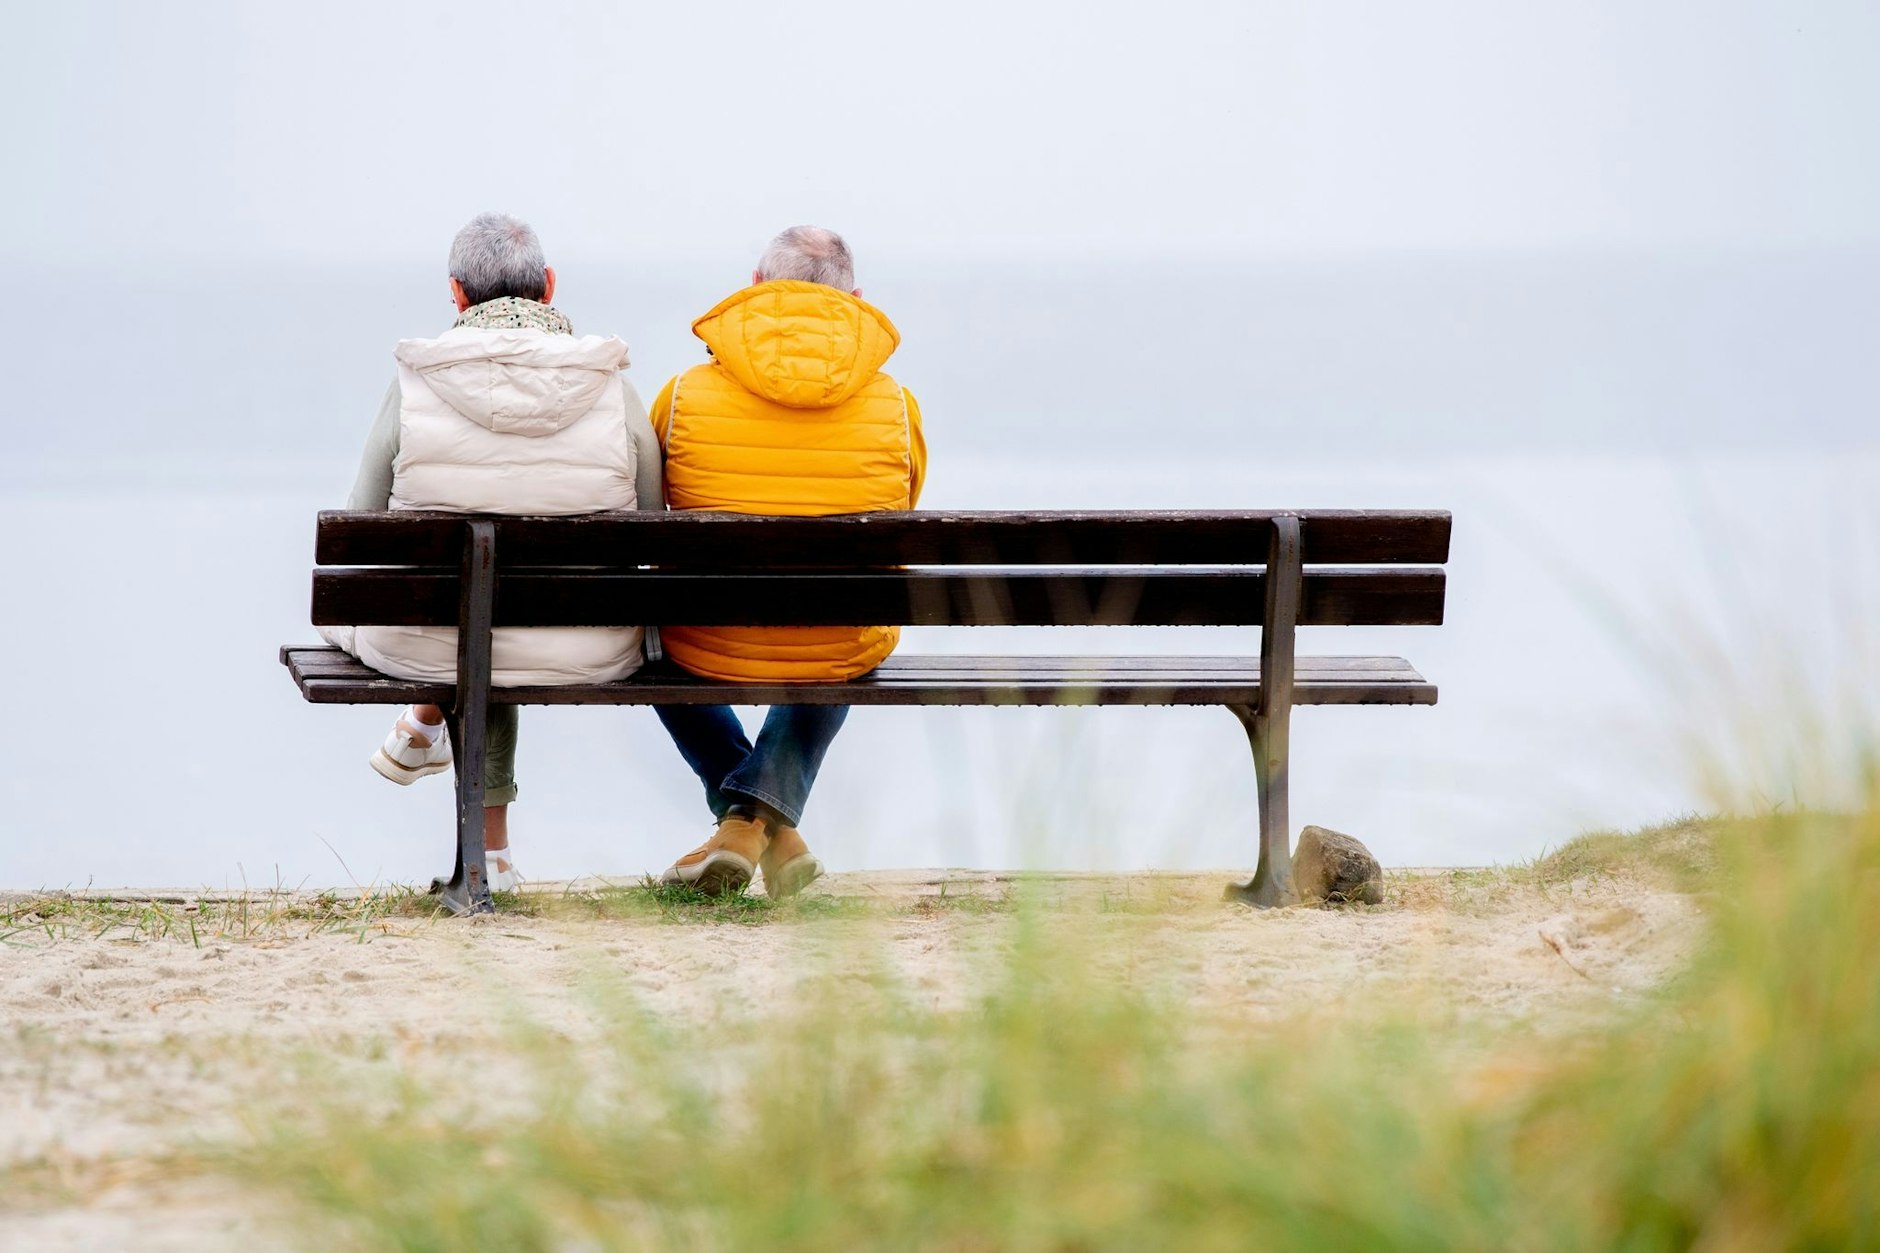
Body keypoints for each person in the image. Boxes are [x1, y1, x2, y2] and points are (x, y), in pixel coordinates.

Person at [325, 212, 664, 889]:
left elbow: (361, 521)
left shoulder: (415, 383)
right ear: (548, 286)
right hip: (590, 644)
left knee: (476, 601)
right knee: (495, 596)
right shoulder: (611, 386)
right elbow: (654, 524)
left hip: (426, 642)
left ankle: (426, 727)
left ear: (455, 294)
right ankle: (490, 842)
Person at [649, 226, 927, 898]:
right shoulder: (895, 405)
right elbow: (905, 505)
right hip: (835, 639)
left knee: (648, 639)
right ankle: (768, 822)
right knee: (840, 633)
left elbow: (651, 519)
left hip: (706, 642)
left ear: (754, 286)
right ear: (855, 300)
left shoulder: (682, 395)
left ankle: (743, 824)